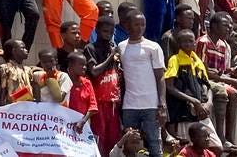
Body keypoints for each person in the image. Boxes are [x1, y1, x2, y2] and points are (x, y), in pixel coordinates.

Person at [196, 12, 237, 146]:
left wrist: (232, 72)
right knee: (228, 92)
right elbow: (203, 72)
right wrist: (232, 81)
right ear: (214, 26)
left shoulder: (224, 45)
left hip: (220, 79)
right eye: (225, 25)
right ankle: (222, 136)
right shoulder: (203, 42)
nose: (229, 29)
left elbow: (223, 71)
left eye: (230, 26)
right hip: (205, 80)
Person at [117, 11, 166, 157]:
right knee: (130, 145)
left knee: (154, 143)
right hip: (130, 105)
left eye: (142, 25)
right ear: (127, 26)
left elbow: (160, 77)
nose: (140, 28)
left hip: (151, 105)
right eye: (136, 24)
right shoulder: (121, 47)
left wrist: (162, 105)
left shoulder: (153, 47)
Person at [163, 29, 216, 149]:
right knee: (187, 148)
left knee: (216, 146)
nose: (187, 44)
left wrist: (209, 102)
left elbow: (207, 86)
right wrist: (194, 101)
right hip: (183, 112)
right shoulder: (175, 60)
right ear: (179, 43)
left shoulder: (198, 61)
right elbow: (169, 87)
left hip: (201, 112)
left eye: (190, 41)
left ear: (195, 43)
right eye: (184, 41)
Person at [85, 15, 122, 156]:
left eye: (111, 32)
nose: (108, 35)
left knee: (113, 138)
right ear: (98, 30)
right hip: (98, 102)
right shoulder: (91, 48)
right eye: (105, 31)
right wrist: (111, 57)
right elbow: (94, 71)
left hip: (113, 101)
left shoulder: (113, 47)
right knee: (98, 137)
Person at [65, 50, 98, 132]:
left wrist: (83, 121)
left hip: (82, 126)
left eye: (85, 65)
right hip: (64, 126)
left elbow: (92, 106)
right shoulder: (62, 80)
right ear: (71, 65)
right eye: (81, 64)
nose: (84, 67)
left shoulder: (87, 83)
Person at [0, 39, 37, 104]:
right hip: (12, 109)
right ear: (14, 51)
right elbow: (3, 89)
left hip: (27, 108)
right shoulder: (5, 68)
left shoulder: (28, 70)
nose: (26, 50)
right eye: (23, 48)